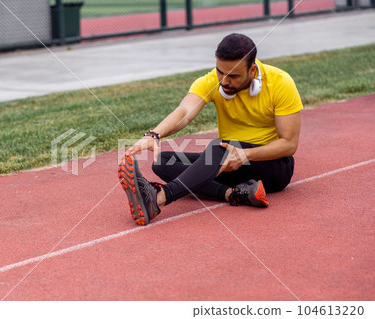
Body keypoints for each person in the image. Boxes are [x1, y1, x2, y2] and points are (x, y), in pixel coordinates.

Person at [118, 33, 303, 226]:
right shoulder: (211, 82)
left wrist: (245, 155)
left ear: (253, 70)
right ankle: (234, 193)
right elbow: (185, 112)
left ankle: (160, 198)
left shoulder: (281, 83)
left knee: (217, 149)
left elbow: (289, 144)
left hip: (272, 167)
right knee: (162, 161)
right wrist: (154, 134)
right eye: (220, 72)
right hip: (228, 162)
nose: (224, 81)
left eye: (233, 76)